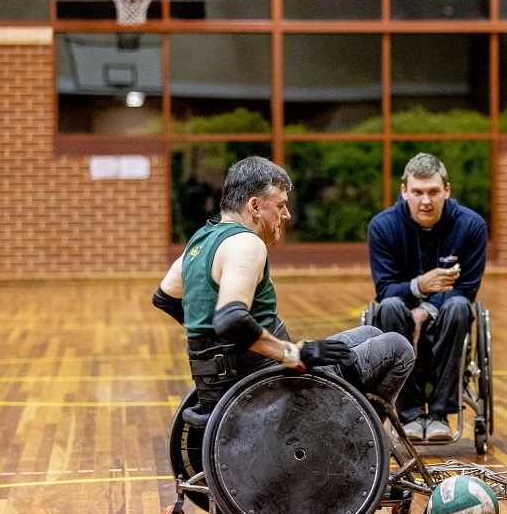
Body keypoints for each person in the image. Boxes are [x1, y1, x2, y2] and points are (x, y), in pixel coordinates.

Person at [152, 156, 415, 427]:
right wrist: (293, 353)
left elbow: (164, 298)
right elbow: (230, 320)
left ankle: (351, 431)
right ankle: (355, 444)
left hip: (231, 383)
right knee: (398, 348)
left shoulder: (201, 241)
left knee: (371, 333)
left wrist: (212, 341)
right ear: (254, 206)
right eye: (280, 205)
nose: (287, 215)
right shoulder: (246, 243)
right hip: (271, 388)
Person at [367, 153, 488, 441]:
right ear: (404, 191)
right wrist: (420, 286)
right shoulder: (382, 227)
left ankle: (439, 415)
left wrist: (427, 309)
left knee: (459, 306)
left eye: (434, 192)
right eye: (418, 192)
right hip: (400, 314)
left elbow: (466, 288)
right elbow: (385, 289)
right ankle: (408, 413)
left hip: (447, 315)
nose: (426, 201)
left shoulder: (471, 226)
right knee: (390, 306)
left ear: (447, 190)